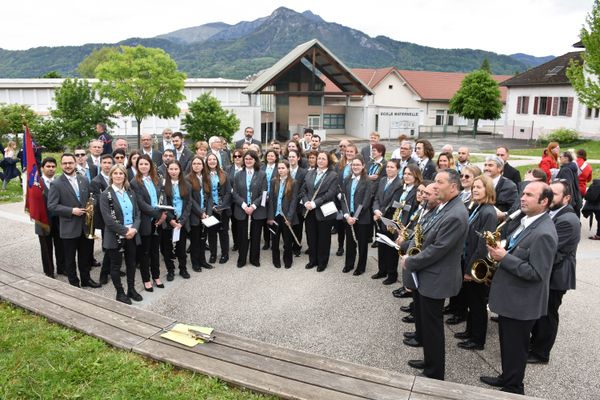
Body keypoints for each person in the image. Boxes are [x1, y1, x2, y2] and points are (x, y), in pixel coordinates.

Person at [481, 181, 557, 395]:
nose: (522, 198)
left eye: (529, 195)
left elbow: (537, 273)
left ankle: (514, 388)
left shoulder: (544, 233)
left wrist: (504, 258)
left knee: (516, 348)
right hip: (512, 299)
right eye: (523, 193)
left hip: (522, 303)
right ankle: (507, 377)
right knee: (508, 345)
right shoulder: (527, 221)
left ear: (544, 202)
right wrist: (503, 248)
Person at [400, 169, 469, 381]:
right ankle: (429, 361)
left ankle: (435, 372)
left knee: (433, 328)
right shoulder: (445, 206)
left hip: (437, 278)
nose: (435, 186)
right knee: (428, 327)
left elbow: (439, 249)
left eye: (440, 182)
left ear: (453, 187)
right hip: (429, 275)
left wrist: (410, 261)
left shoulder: (456, 214)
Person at [528, 180, 580, 364]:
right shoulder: (552, 213)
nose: (550, 197)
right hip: (549, 272)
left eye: (555, 194)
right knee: (541, 313)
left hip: (557, 276)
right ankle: (534, 345)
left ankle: (541, 353)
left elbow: (553, 252)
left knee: (548, 316)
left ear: (566, 198)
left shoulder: (568, 220)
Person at [456, 175, 497, 351]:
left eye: (479, 187)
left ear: (487, 190)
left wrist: (470, 269)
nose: (475, 190)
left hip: (477, 265)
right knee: (471, 301)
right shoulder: (478, 207)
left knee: (478, 304)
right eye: (474, 187)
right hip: (468, 258)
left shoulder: (488, 211)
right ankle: (470, 331)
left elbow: (482, 245)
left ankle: (477, 339)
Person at [47, 154, 100, 288]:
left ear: (75, 163)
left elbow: (90, 197)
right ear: (61, 164)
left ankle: (86, 279)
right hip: (69, 227)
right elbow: (52, 206)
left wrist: (92, 203)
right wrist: (71, 210)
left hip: (85, 227)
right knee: (70, 259)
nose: (68, 165)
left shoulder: (84, 179)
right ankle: (74, 283)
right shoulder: (56, 183)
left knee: (85, 257)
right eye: (65, 163)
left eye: (70, 162)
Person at [99, 164, 142, 304]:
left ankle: (131, 289)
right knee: (115, 266)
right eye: (115, 173)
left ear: (125, 176)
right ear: (111, 175)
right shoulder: (106, 194)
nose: (118, 176)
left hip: (132, 234)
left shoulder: (130, 192)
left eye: (121, 173)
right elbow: (108, 220)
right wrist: (125, 231)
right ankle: (120, 292)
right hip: (116, 235)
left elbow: (137, 214)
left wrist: (134, 229)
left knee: (131, 263)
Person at [130, 154, 166, 292]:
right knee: (144, 253)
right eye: (141, 164)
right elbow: (141, 203)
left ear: (150, 165)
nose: (144, 166)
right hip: (146, 221)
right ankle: (146, 279)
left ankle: (156, 276)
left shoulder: (156, 179)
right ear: (137, 166)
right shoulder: (134, 182)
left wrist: (164, 214)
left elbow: (162, 197)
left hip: (158, 221)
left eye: (146, 164)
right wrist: (158, 214)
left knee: (155, 251)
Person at [301, 151, 338, 272]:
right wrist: (306, 201)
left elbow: (330, 194)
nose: (320, 161)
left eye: (323, 159)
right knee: (311, 237)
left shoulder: (332, 175)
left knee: (324, 238)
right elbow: (303, 190)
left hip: (324, 211)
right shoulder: (310, 173)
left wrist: (314, 203)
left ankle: (322, 262)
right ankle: (313, 260)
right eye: (319, 158)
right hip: (309, 211)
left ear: (328, 161)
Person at [232, 150, 267, 268]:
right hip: (242, 210)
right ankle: (241, 259)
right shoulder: (238, 175)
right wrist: (244, 206)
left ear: (255, 160)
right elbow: (235, 194)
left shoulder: (262, 174)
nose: (248, 161)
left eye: (250, 159)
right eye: (246, 159)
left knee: (255, 237)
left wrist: (253, 206)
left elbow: (264, 193)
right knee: (242, 237)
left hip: (257, 211)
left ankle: (254, 259)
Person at [371, 160, 403, 282]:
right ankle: (381, 270)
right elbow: (377, 198)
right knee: (381, 246)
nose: (389, 169)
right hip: (379, 217)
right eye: (388, 167)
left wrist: (381, 214)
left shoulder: (399, 184)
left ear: (397, 169)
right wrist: (376, 210)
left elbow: (393, 204)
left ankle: (392, 274)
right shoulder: (383, 180)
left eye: (392, 167)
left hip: (390, 220)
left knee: (390, 248)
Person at [340, 157, 373, 276]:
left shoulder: (368, 181)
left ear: (363, 166)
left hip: (362, 218)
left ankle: (361, 267)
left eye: (358, 165)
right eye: (353, 165)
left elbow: (365, 202)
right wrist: (347, 215)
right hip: (349, 217)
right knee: (349, 242)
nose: (355, 167)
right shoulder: (347, 179)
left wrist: (356, 216)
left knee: (362, 243)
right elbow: (343, 199)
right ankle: (349, 264)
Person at [161, 160, 192, 281]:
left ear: (180, 170)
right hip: (169, 222)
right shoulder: (163, 185)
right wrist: (170, 220)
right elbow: (162, 204)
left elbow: (188, 204)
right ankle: (170, 270)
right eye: (171, 169)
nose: (173, 172)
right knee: (168, 248)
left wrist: (181, 221)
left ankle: (183, 268)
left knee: (181, 247)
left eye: (176, 169)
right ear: (167, 170)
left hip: (181, 222)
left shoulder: (186, 184)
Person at [267, 160, 299, 269]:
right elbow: (270, 200)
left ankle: (288, 260)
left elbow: (294, 201)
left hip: (286, 217)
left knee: (287, 240)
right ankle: (276, 260)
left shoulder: (293, 182)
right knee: (275, 240)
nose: (280, 170)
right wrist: (270, 217)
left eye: (283, 168)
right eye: (279, 168)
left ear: (288, 169)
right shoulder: (273, 181)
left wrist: (289, 217)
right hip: (275, 216)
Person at [36, 157, 65, 278]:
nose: (51, 169)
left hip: (58, 219)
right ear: (42, 168)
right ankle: (49, 271)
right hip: (43, 220)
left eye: (53, 166)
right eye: (48, 166)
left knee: (61, 245)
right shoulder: (36, 184)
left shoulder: (59, 182)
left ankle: (62, 268)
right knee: (46, 248)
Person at [186, 156, 213, 272]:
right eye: (194, 163)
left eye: (199, 163)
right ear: (192, 166)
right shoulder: (188, 179)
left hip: (206, 214)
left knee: (203, 239)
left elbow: (210, 197)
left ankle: (203, 260)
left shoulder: (206, 178)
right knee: (195, 240)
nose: (196, 165)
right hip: (194, 214)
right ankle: (195, 262)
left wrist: (208, 213)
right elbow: (190, 199)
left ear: (203, 165)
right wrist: (201, 213)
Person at [205, 153, 232, 264]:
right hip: (210, 209)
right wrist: (211, 207)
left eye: (214, 159)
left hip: (223, 209)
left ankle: (225, 254)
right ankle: (213, 254)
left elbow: (228, 192)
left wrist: (222, 206)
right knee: (211, 233)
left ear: (217, 161)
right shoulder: (203, 176)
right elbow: (205, 194)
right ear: (207, 162)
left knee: (223, 232)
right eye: (210, 159)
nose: (212, 161)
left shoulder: (224, 174)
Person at [90, 154, 113, 284]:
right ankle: (104, 273)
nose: (107, 165)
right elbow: (98, 202)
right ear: (101, 164)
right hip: (106, 219)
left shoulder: (117, 177)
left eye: (110, 162)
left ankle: (112, 268)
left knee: (116, 246)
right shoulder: (96, 181)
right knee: (108, 246)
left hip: (118, 218)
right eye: (105, 162)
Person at [287, 150, 307, 257]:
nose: (291, 158)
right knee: (287, 225)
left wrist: (295, 199)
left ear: (298, 158)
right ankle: (288, 245)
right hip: (286, 204)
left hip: (298, 204)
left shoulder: (304, 172)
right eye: (289, 156)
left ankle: (297, 246)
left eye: (293, 156)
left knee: (298, 226)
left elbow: (303, 188)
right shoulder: (285, 170)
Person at [227, 148, 245, 252]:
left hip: (242, 199)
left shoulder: (246, 168)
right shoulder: (228, 168)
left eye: (239, 156)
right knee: (234, 222)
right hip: (231, 200)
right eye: (235, 156)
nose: (237, 158)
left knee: (241, 222)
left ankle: (244, 241)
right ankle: (236, 243)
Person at [261, 150, 279, 250]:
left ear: (276, 157)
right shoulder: (262, 167)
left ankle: (274, 240)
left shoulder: (278, 168)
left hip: (274, 196)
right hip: (263, 196)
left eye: (272, 156)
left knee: (273, 218)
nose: (270, 157)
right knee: (264, 219)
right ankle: (266, 241)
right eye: (268, 155)